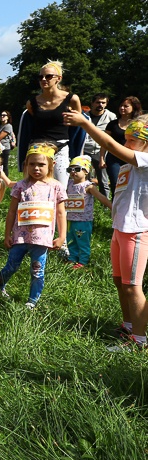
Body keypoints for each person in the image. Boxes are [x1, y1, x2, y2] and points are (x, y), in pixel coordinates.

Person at [63, 111, 148, 347]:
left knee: (132, 286)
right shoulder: (128, 167)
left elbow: (109, 143)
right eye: (126, 139)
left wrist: (84, 123)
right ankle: (129, 325)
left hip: (137, 231)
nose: (126, 144)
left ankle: (139, 341)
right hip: (119, 230)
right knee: (120, 282)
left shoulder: (145, 161)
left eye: (132, 140)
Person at [0, 143, 67, 309]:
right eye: (32, 164)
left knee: (37, 270)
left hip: (42, 238)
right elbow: (11, 212)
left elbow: (61, 213)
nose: (36, 168)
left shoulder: (56, 187)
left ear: (51, 165)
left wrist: (62, 236)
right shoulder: (20, 186)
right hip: (20, 236)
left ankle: (32, 300)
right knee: (11, 266)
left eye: (41, 164)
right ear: (26, 165)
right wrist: (7, 234)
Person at [18, 60, 83, 187]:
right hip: (37, 149)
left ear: (58, 78)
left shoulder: (72, 99)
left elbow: (78, 123)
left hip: (60, 147)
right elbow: (30, 123)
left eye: (48, 76)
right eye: (40, 77)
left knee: (61, 188)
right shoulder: (32, 103)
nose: (43, 79)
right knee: (33, 187)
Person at [63, 155, 111, 268]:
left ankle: (83, 261)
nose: (73, 172)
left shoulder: (88, 186)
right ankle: (72, 258)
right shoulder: (69, 184)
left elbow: (101, 197)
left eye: (77, 169)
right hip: (70, 219)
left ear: (86, 171)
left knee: (82, 241)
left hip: (83, 220)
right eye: (70, 169)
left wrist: (112, 207)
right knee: (71, 240)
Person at [105, 97, 141, 198]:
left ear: (133, 108)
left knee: (132, 183)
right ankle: (115, 208)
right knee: (116, 183)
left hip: (132, 157)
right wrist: (101, 158)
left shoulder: (138, 124)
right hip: (114, 158)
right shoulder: (112, 124)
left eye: (126, 106)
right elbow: (105, 142)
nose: (122, 108)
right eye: (121, 106)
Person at [84, 94, 116, 196]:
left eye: (103, 103)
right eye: (98, 102)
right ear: (92, 103)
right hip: (85, 149)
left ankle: (104, 206)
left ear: (106, 104)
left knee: (103, 180)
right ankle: (86, 202)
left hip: (101, 151)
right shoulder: (85, 117)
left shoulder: (111, 117)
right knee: (84, 179)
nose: (100, 105)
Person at [0, 110, 15, 176]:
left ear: (8, 117)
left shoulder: (8, 126)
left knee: (4, 165)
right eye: (1, 115)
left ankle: (5, 181)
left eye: (4, 115)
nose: (2, 116)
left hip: (5, 147)